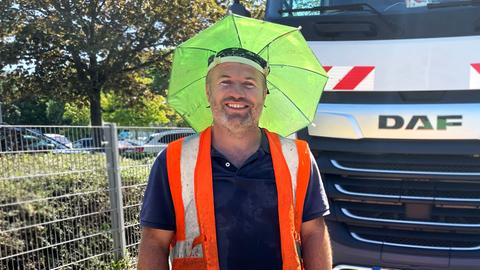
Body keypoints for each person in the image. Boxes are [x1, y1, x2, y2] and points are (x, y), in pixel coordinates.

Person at [137, 48, 332, 270]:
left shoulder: (298, 157)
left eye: (249, 84)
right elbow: (155, 241)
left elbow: (314, 232)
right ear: (208, 92)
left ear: (264, 93)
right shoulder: (173, 160)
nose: (237, 93)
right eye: (225, 82)